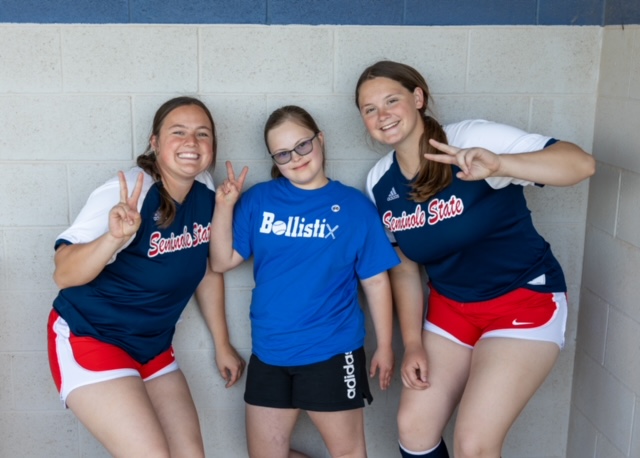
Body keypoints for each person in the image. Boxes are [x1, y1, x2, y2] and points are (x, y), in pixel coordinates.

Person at [354, 61, 596, 458]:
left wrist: (501, 165)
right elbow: (406, 268)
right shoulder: (380, 181)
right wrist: (412, 342)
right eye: (369, 109)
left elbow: (580, 164)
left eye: (392, 100)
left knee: (475, 445)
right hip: (452, 308)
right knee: (414, 429)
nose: (382, 115)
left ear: (418, 98)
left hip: (522, 300)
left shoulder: (469, 138)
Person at [48, 96, 245, 458]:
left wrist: (222, 344)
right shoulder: (129, 191)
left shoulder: (204, 187)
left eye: (202, 134)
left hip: (152, 346)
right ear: (154, 143)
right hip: (92, 336)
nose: (191, 143)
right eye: (179, 132)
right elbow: (63, 272)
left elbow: (204, 269)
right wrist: (113, 239)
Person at [210, 105, 400, 458]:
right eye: (283, 153)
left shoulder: (355, 208)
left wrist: (386, 345)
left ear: (321, 140)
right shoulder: (259, 200)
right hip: (269, 352)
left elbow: (376, 282)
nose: (295, 158)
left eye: (302, 145)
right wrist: (225, 206)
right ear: (274, 159)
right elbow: (222, 261)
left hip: (331, 349)